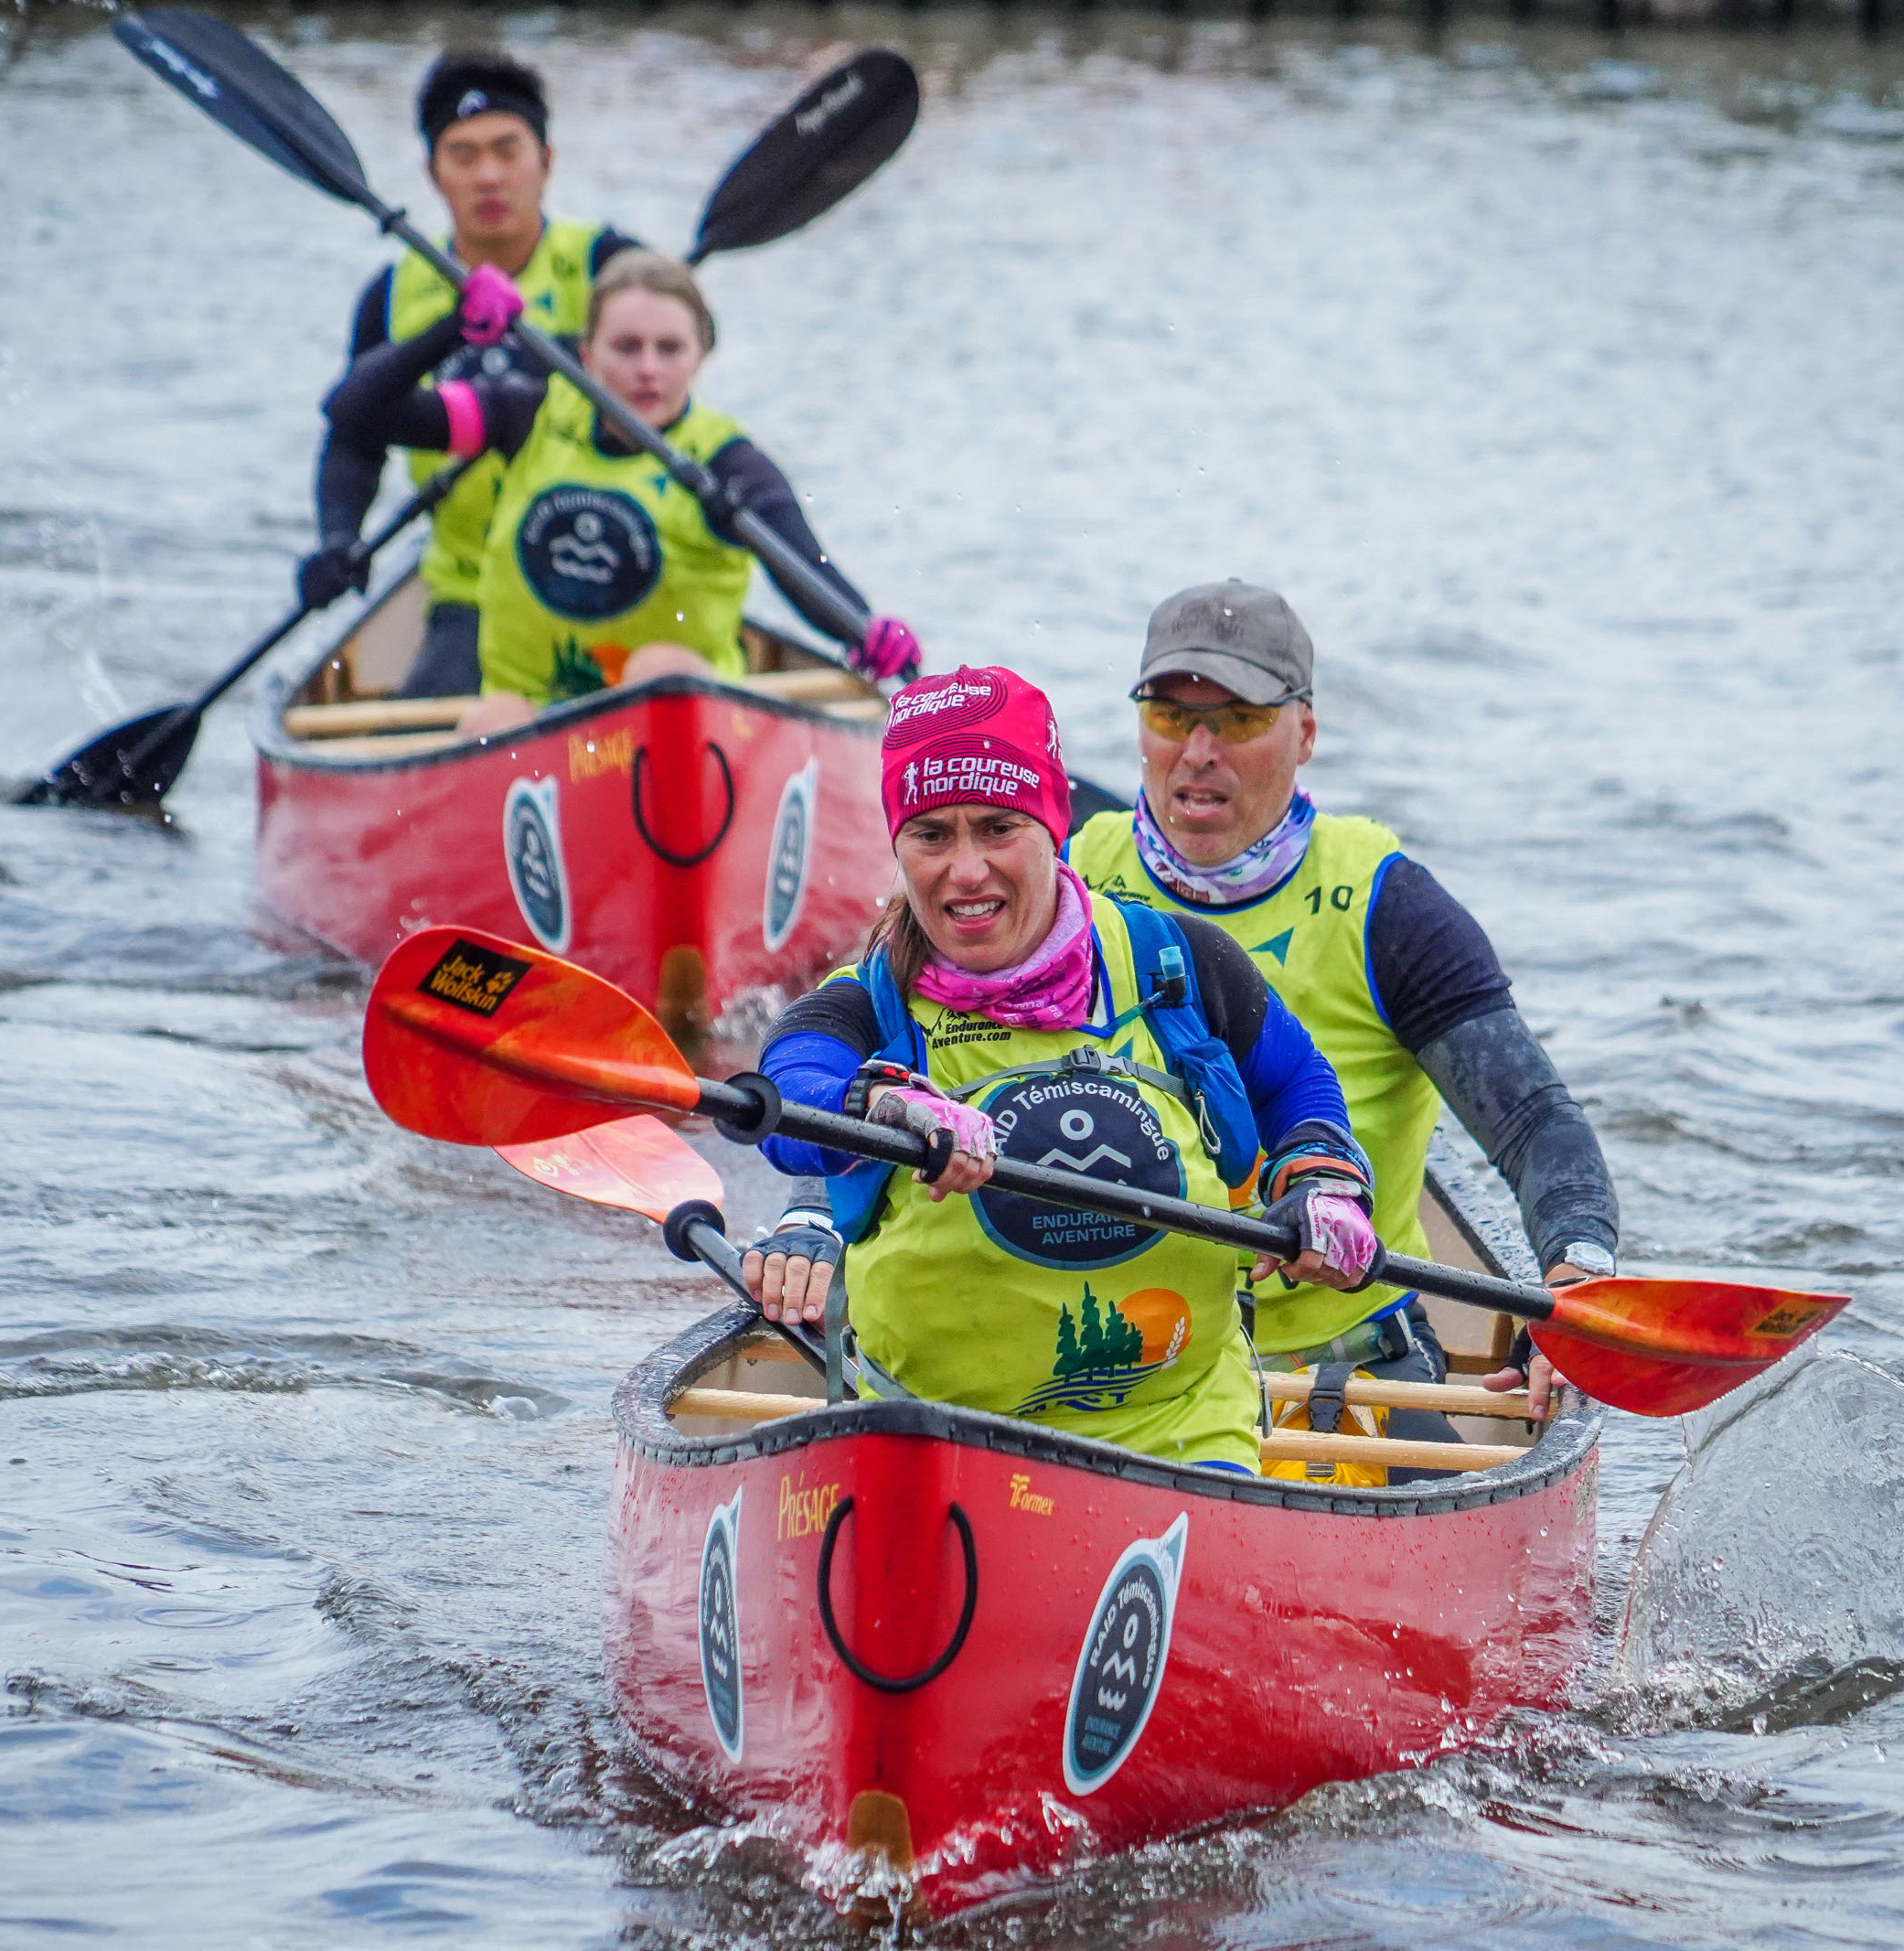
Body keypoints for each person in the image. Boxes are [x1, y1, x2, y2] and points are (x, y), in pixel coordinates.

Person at [738, 668, 1380, 1471]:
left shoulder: (1172, 963)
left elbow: (1297, 1083)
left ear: (1054, 822)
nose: (965, 870)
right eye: (932, 835)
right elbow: (789, 1090)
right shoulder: (869, 1004)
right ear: (898, 845)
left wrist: (1321, 1177)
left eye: (998, 827)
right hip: (929, 1432)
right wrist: (882, 1107)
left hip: (1178, 1428)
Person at [1064, 582, 1621, 1480]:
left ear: (1304, 733)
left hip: (1339, 1368)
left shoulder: (1385, 905)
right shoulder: (1070, 879)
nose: (1197, 752)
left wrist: (1574, 1281)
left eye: (1238, 720)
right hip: (1116, 1351)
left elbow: (1533, 1123)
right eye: (1171, 715)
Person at [322, 249, 918, 737]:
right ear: (586, 354)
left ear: (700, 357)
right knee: (490, 718)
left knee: (659, 670)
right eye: (626, 347)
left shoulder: (725, 461)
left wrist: (863, 628)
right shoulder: (529, 414)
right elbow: (355, 412)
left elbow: (804, 563)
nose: (648, 369)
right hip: (535, 711)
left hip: (686, 723)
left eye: (670, 349)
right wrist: (450, 330)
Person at [297, 49, 644, 699]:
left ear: (547, 160)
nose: (489, 176)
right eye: (464, 155)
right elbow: (353, 434)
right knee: (431, 730)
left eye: (508, 150)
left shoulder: (612, 266)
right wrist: (339, 537)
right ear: (433, 173)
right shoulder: (393, 293)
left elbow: (672, 398)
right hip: (473, 588)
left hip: (615, 574)